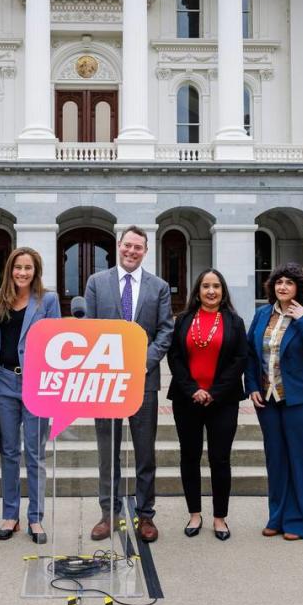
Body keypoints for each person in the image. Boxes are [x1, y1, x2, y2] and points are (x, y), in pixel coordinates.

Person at [85, 225, 174, 543]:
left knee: (145, 451)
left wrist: (143, 362)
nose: (131, 251)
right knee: (107, 452)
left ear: (145, 251)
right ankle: (109, 514)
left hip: (144, 381)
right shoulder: (97, 283)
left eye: (138, 247)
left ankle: (145, 515)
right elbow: (89, 330)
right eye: (127, 246)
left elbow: (165, 331)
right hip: (106, 381)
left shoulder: (159, 287)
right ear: (118, 246)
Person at [244, 262, 303, 541]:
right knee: (276, 460)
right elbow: (249, 353)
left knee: (301, 459)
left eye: (289, 282)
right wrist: (252, 386)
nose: (283, 286)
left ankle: (301, 521)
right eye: (279, 282)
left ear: (299, 287)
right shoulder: (262, 315)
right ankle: (278, 517)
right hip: (268, 400)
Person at [166, 269, 248, 541]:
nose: (211, 291)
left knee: (219, 458)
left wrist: (213, 392)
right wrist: (193, 390)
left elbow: (239, 360)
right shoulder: (183, 320)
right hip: (187, 399)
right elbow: (175, 357)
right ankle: (194, 513)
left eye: (216, 286)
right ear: (197, 291)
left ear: (223, 291)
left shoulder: (235, 322)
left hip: (223, 401)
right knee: (189, 456)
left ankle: (219, 517)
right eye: (205, 286)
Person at [0, 247, 61, 544]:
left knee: (35, 453)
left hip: (36, 382)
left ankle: (36, 518)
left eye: (28, 268)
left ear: (36, 271)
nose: (22, 273)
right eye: (18, 267)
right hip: (4, 381)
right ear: (10, 269)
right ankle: (10, 515)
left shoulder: (48, 300)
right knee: (9, 451)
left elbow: (57, 342)